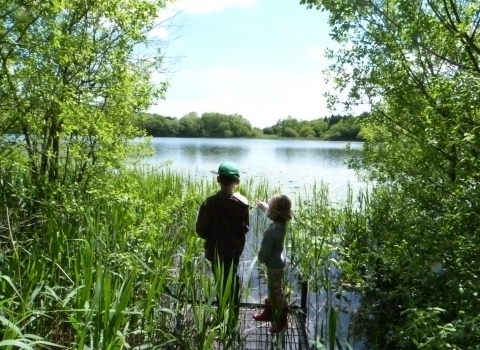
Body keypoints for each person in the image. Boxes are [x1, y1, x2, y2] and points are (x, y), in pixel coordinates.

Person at [195, 161, 250, 325]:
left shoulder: (210, 202)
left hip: (216, 250)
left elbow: (201, 230)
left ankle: (223, 314)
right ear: (237, 182)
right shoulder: (243, 204)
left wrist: (212, 233)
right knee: (231, 277)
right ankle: (232, 314)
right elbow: (246, 228)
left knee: (220, 280)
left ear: (218, 180)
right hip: (234, 250)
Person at [252, 194, 292, 333]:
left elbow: (264, 253)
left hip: (273, 266)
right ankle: (268, 312)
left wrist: (261, 259)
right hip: (278, 263)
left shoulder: (272, 232)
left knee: (277, 292)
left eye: (270, 206)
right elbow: (270, 210)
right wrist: (262, 204)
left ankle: (282, 320)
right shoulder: (282, 222)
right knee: (273, 288)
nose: (267, 208)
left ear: (274, 212)